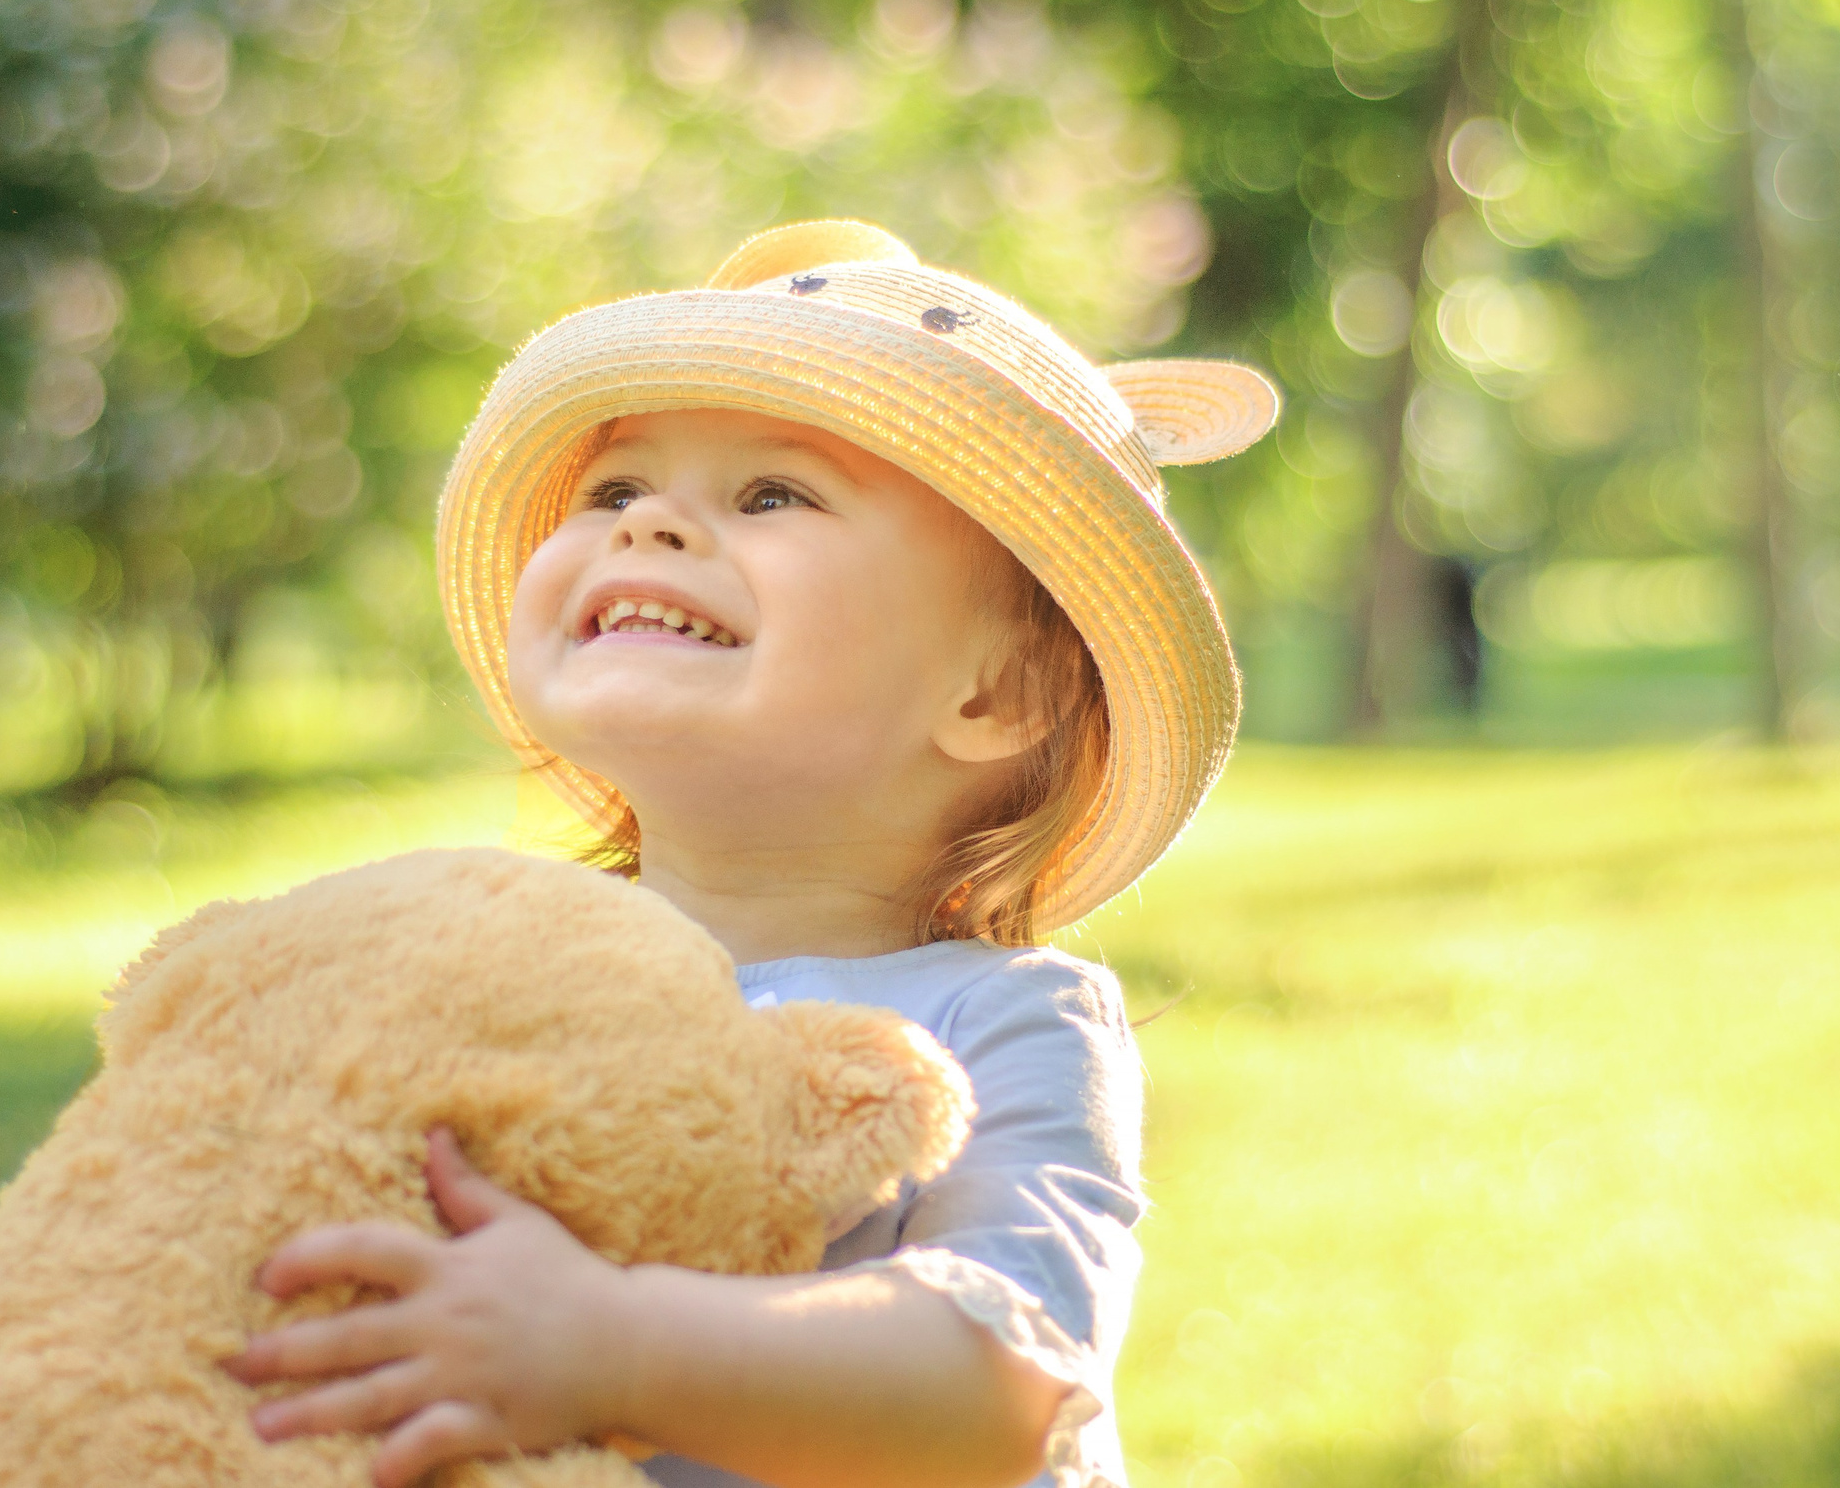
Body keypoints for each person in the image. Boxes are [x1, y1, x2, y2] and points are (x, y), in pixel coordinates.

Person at [221, 221, 1279, 1488]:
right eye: (614, 488)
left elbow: (998, 1382)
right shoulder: (486, 966)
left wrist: (605, 1346)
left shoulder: (1004, 1022)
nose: (650, 524)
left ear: (997, 691)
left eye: (773, 493)